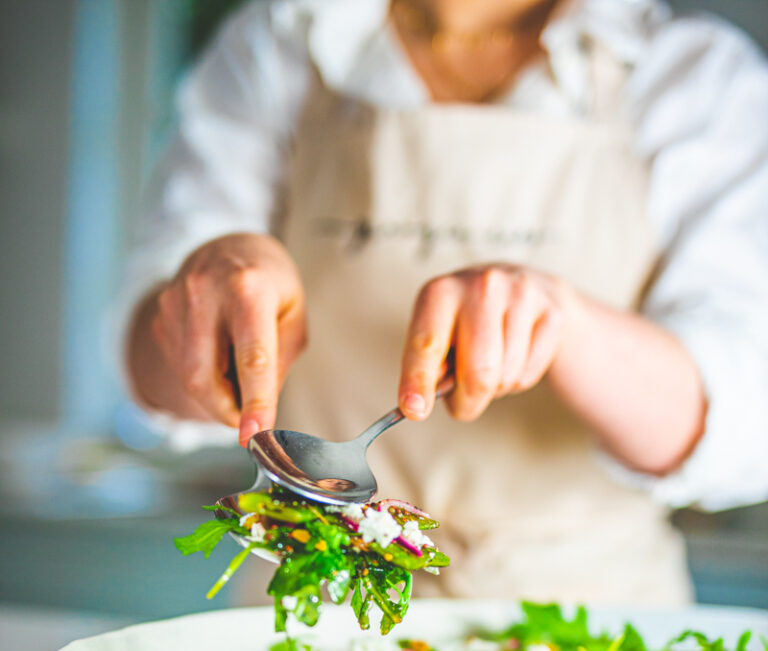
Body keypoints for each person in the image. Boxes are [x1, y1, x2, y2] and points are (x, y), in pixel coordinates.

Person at [122, 0, 768, 605]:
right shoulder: (283, 39)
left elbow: (746, 421)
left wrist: (569, 331)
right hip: (311, 616)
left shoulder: (694, 76)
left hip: (586, 629)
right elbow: (147, 370)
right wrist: (204, 305)